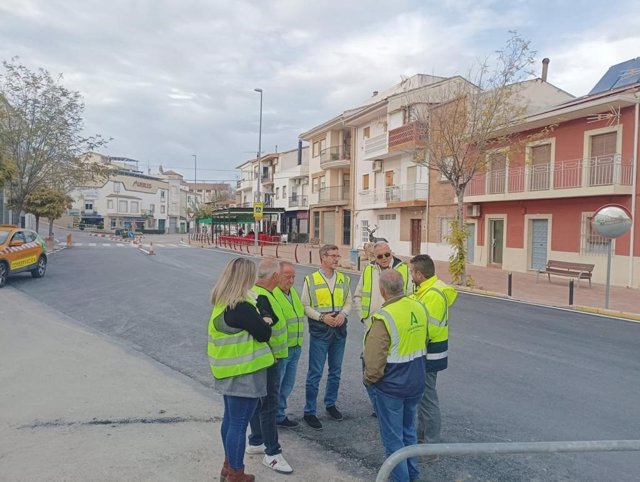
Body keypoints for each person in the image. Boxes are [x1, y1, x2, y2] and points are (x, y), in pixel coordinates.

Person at [208, 258, 274, 482]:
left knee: (230, 420)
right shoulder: (241, 307)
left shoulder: (223, 303)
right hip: (245, 374)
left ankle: (228, 466)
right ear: (245, 278)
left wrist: (261, 316)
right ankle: (236, 473)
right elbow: (264, 333)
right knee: (238, 424)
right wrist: (264, 320)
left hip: (228, 372)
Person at [363, 269, 428, 482]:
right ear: (402, 286)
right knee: (408, 432)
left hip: (391, 386)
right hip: (416, 381)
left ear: (382, 291)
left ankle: (402, 479)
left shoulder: (384, 317)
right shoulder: (418, 307)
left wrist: (369, 381)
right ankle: (413, 475)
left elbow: (373, 360)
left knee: (393, 439)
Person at [245, 258, 293, 474]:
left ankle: (256, 441)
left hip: (269, 357)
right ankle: (272, 453)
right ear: (274, 276)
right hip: (270, 359)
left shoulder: (263, 292)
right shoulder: (263, 296)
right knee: (269, 406)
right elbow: (267, 322)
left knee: (259, 402)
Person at [354, 241, 413, 416]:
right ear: (374, 257)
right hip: (372, 328)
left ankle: (388, 406)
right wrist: (364, 318)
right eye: (380, 256)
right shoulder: (368, 270)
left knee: (391, 369)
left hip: (396, 329)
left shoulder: (403, 270)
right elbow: (358, 295)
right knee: (369, 367)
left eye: (387, 254)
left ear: (391, 252)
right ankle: (378, 406)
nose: (385, 259)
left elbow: (410, 298)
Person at [409, 254, 458, 463]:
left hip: (430, 352)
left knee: (428, 400)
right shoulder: (426, 290)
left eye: (412, 272)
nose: (410, 275)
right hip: (427, 351)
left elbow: (427, 329)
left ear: (419, 274)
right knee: (422, 397)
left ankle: (431, 448)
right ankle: (422, 440)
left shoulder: (433, 295)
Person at [301, 244, 353, 430]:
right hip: (320, 330)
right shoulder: (311, 279)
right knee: (315, 372)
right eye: (333, 256)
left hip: (339, 328)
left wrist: (342, 315)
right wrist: (322, 317)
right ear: (323, 257)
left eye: (337, 256)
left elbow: (349, 301)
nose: (336, 259)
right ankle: (310, 411)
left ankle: (330, 404)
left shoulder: (344, 279)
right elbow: (305, 306)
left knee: (335, 370)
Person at [272, 261, 305, 429]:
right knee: (276, 385)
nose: (291, 280)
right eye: (287, 277)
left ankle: (279, 414)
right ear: (277, 276)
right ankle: (271, 417)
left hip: (295, 347)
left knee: (287, 384)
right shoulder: (273, 295)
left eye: (293, 277)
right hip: (281, 349)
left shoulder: (292, 293)